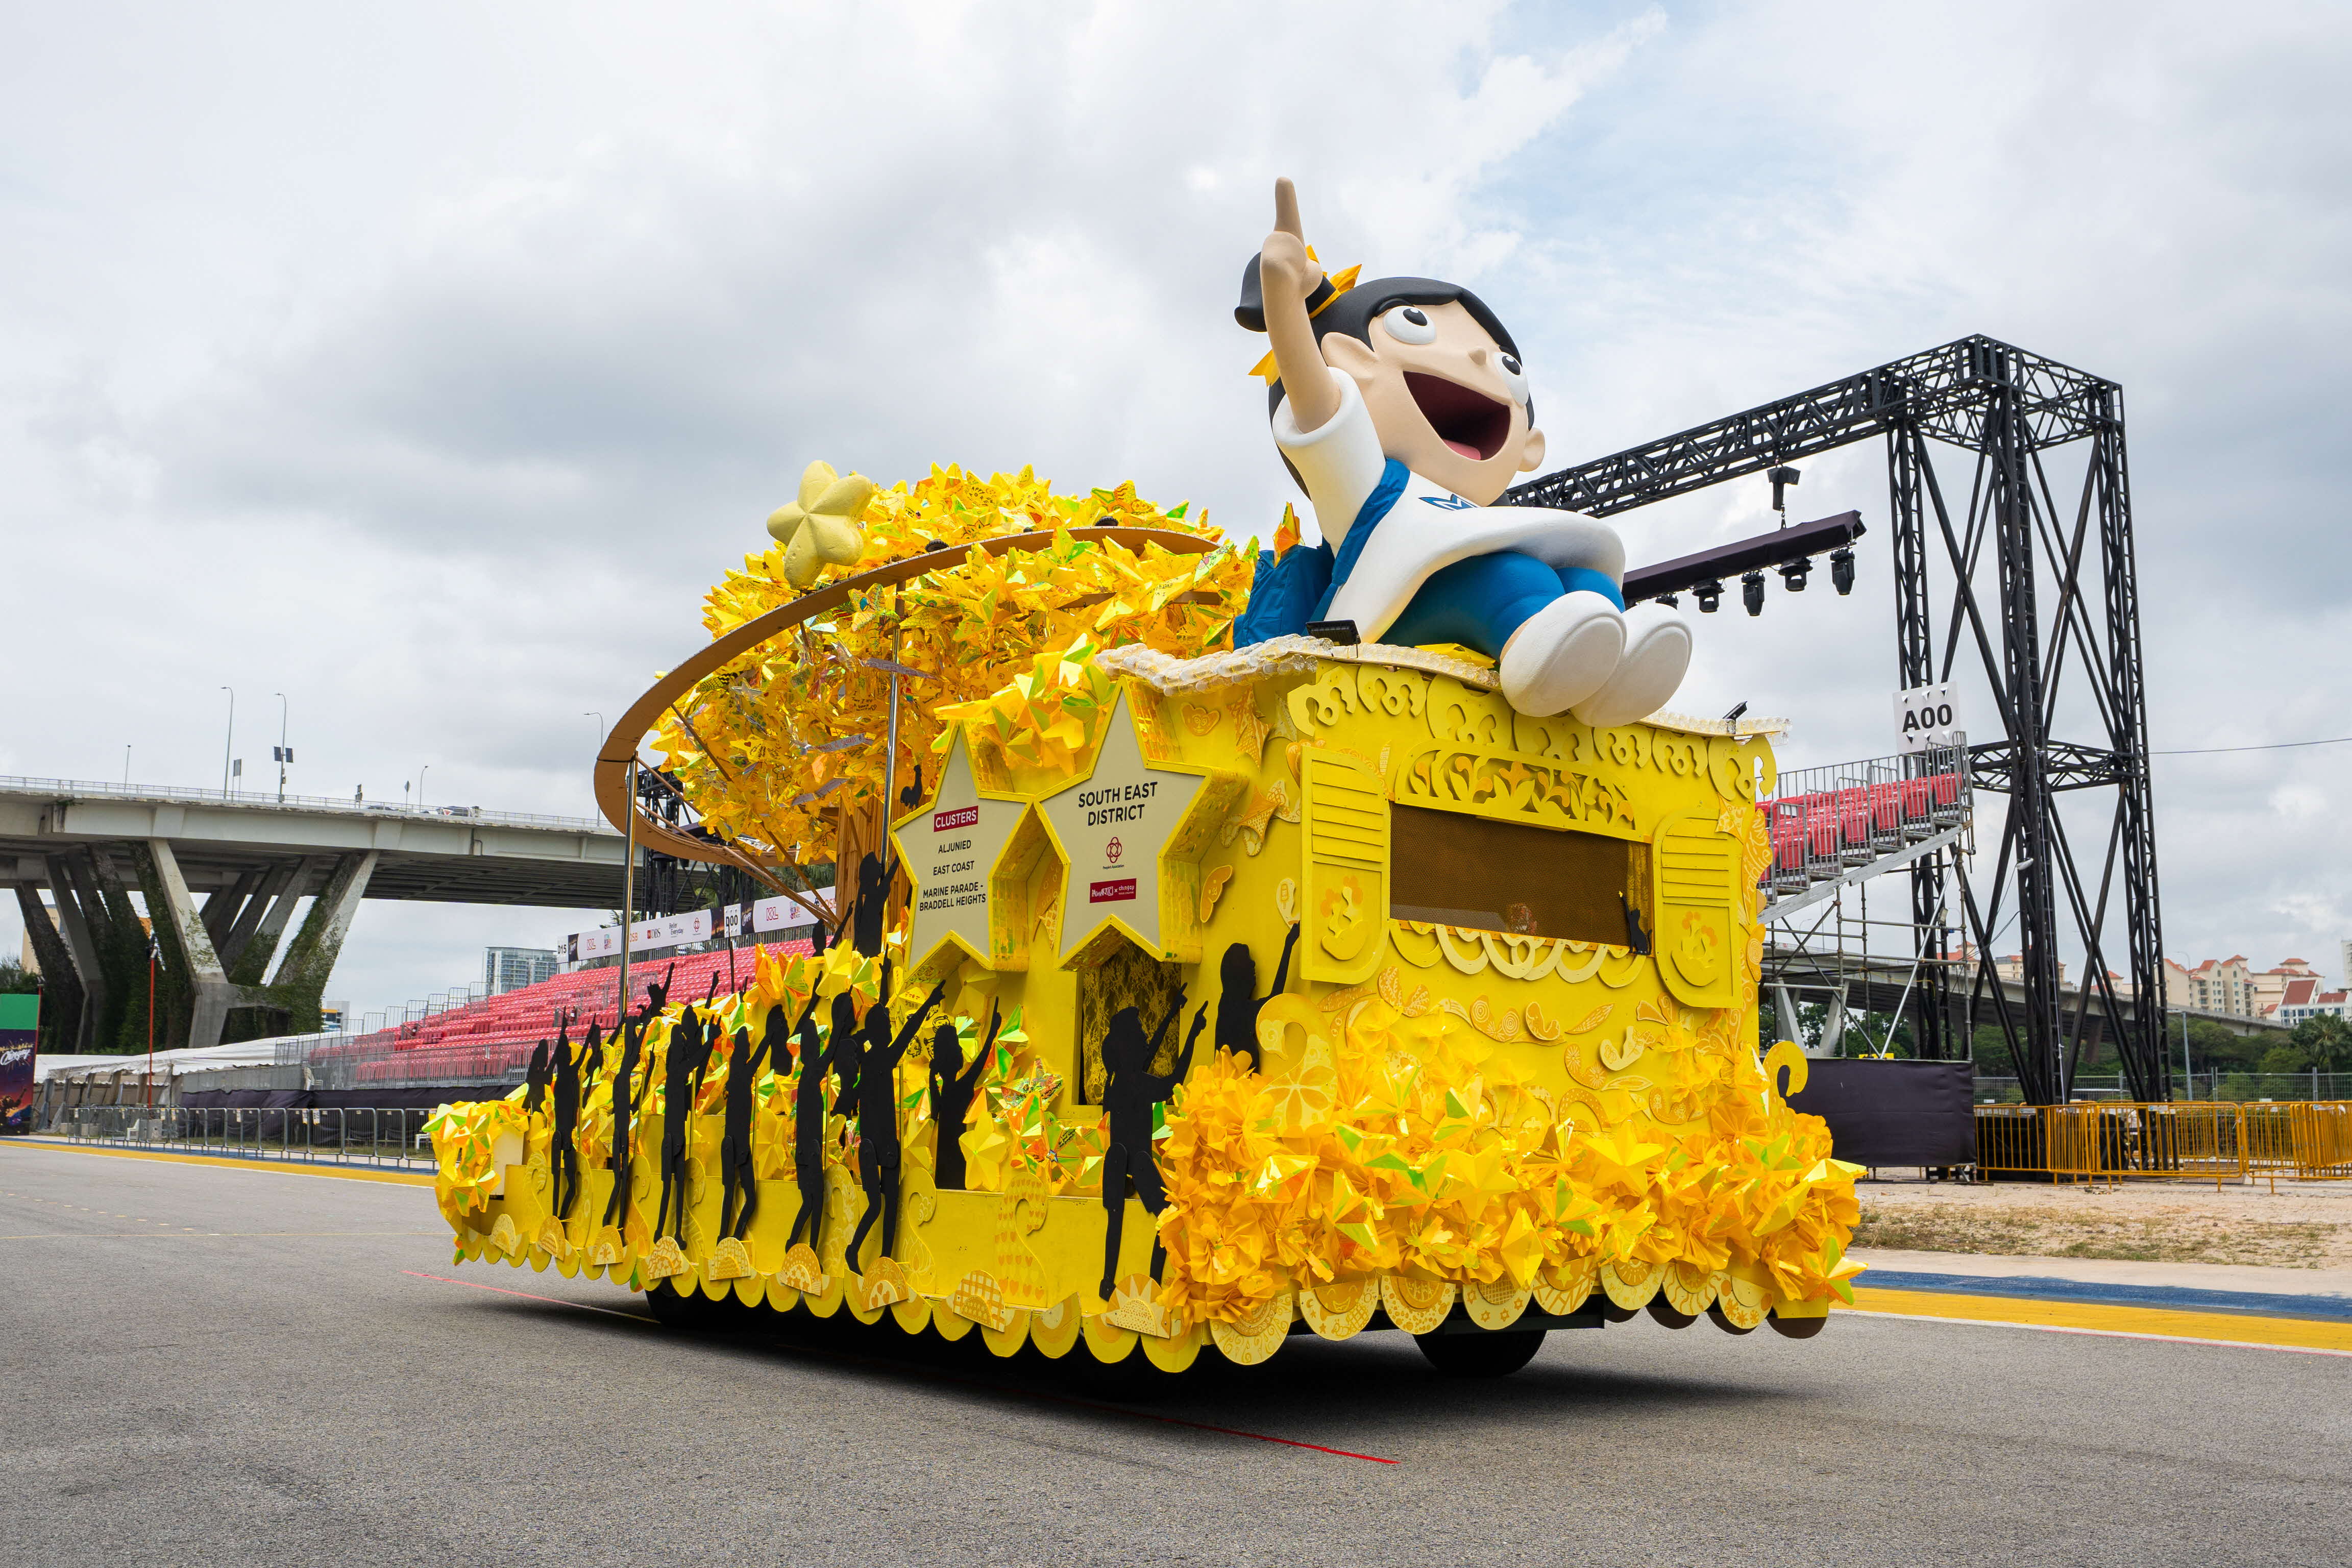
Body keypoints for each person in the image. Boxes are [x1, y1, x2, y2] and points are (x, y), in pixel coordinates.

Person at [1234, 177, 1689, 725]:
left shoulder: (1479, 518)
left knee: (1586, 584)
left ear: (1530, 447)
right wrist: (1285, 298)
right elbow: (1316, 403)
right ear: (1349, 363)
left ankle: (1606, 685)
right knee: (1515, 580)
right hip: (1374, 624)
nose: (1476, 354)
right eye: (1417, 325)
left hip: (1475, 613)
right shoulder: (1372, 487)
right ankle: (1536, 658)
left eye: (1507, 367)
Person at [1095, 991, 1209, 1301]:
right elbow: (1175, 1079)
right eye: (1141, 1036)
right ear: (1129, 1047)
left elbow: (1152, 1047)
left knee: (1114, 1221)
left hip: (1116, 1162)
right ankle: (1155, 1281)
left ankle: (1108, 1281)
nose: (1148, 1040)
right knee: (1168, 1217)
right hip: (1138, 1162)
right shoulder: (1139, 1084)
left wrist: (1172, 1012)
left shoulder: (1117, 1081)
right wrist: (1192, 1036)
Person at [842, 976, 949, 1272]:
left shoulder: (867, 1060)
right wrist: (929, 1003)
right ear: (879, 1031)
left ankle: (878, 1257)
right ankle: (866, 1254)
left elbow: (900, 1031)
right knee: (882, 1208)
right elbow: (909, 1030)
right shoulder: (882, 1058)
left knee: (884, 1208)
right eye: (887, 1025)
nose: (891, 1028)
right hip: (881, 1145)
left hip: (880, 1144)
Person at [928, 1003, 1002, 1191]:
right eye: (957, 1046)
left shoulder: (944, 1090)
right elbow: (981, 1061)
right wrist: (992, 1032)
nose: (961, 1050)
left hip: (946, 1155)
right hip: (958, 1152)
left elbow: (935, 1112)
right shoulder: (958, 1088)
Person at [1213, 922, 1300, 1073]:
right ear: (1239, 976)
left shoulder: (1227, 1005)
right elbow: (1275, 997)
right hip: (1240, 1092)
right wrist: (1289, 945)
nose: (1254, 965)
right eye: (1248, 964)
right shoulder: (1237, 1010)